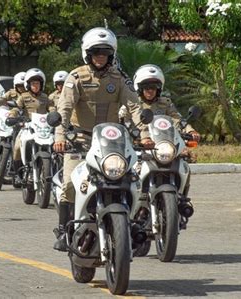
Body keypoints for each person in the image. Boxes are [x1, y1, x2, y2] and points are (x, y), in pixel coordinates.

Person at [52, 27, 147, 251]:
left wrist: (145, 134)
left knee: (133, 179)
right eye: (96, 52)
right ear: (87, 54)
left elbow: (134, 107)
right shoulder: (75, 77)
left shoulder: (120, 79)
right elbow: (64, 108)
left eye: (104, 53)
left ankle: (132, 225)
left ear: (111, 54)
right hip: (81, 140)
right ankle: (65, 230)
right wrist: (60, 136)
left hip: (111, 142)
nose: (100, 57)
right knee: (69, 184)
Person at [8, 68, 54, 184]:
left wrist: (54, 115)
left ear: (41, 84)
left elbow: (51, 108)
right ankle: (19, 174)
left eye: (37, 83)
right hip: (27, 127)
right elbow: (16, 108)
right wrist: (12, 115)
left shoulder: (45, 97)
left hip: (44, 128)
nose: (35, 86)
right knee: (18, 147)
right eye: (33, 83)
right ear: (28, 85)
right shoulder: (23, 97)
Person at [132, 64, 200, 142]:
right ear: (140, 89)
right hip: (138, 145)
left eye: (154, 87)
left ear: (158, 89)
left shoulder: (165, 103)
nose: (150, 90)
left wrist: (190, 131)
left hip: (164, 142)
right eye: (147, 87)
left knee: (184, 154)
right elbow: (121, 121)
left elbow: (176, 118)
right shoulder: (133, 104)